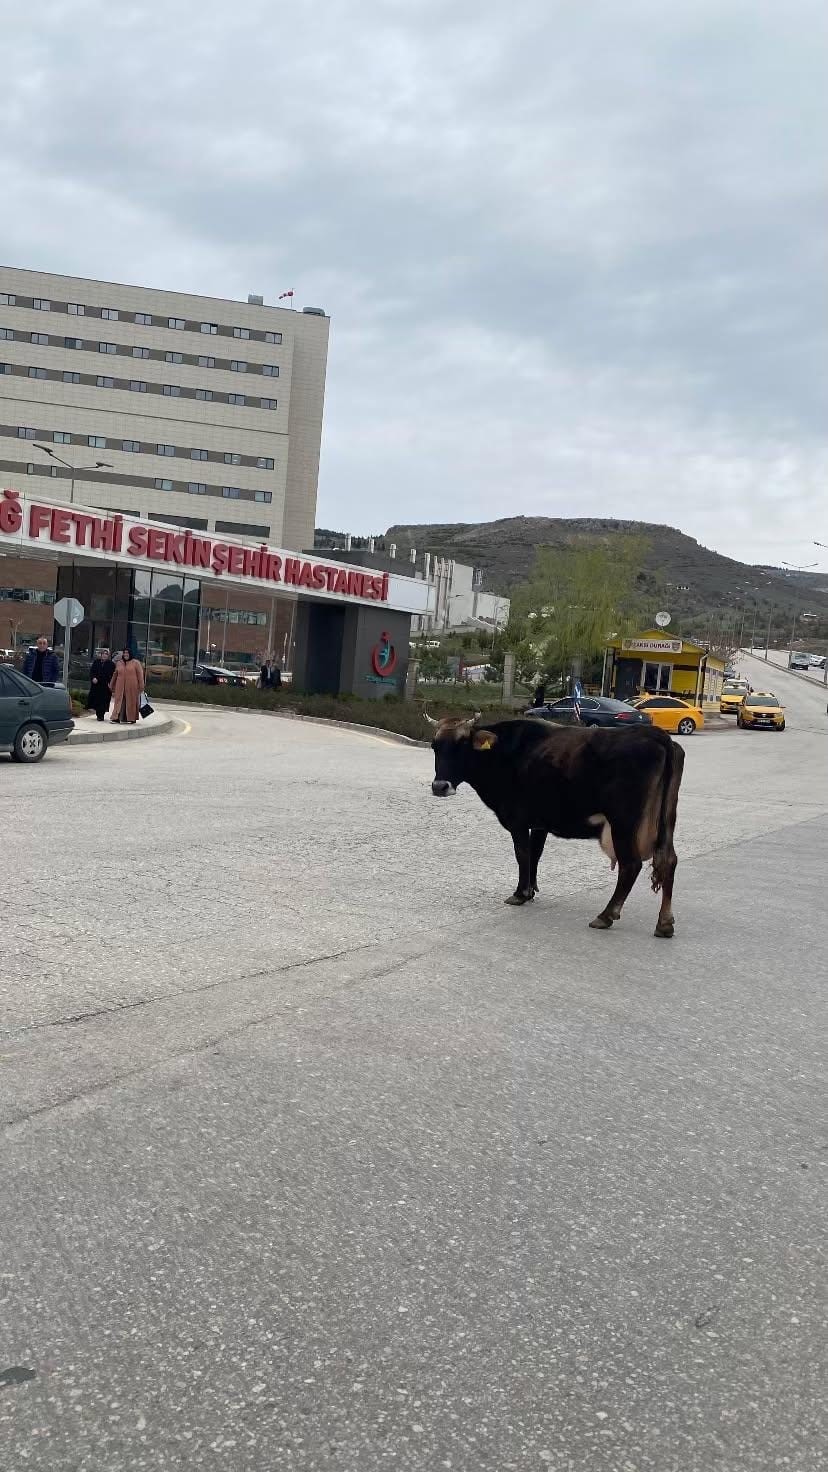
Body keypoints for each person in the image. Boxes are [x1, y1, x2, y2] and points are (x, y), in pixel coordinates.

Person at [109, 647, 144, 724]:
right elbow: (115, 674)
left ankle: (131, 718)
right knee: (119, 702)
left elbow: (140, 675)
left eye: (127, 653)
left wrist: (141, 686)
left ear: (130, 654)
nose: (125, 654)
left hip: (132, 687)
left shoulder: (136, 663)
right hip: (120, 686)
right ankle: (116, 718)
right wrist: (111, 685)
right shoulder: (119, 663)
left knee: (131, 702)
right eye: (124, 653)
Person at [86, 648, 116, 721]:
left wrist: (111, 684)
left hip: (105, 686)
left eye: (106, 654)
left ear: (108, 656)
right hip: (96, 685)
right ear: (101, 655)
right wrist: (93, 678)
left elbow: (113, 675)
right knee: (96, 700)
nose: (104, 655)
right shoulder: (96, 662)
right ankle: (98, 714)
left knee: (103, 701)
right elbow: (92, 672)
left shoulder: (111, 664)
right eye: (103, 654)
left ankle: (101, 715)